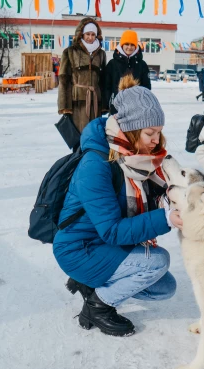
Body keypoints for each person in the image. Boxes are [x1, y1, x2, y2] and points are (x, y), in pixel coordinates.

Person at [53, 76, 182, 337]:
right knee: (157, 262)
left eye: (159, 132)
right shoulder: (96, 165)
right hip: (80, 248)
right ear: (132, 130)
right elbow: (112, 231)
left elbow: (156, 191)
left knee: (164, 288)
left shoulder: (135, 157)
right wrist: (167, 218)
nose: (157, 140)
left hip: (101, 242)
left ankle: (92, 282)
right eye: (149, 133)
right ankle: (98, 306)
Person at [58, 18, 107, 133]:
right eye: (87, 34)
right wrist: (65, 106)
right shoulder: (70, 52)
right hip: (77, 102)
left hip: (96, 102)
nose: (90, 37)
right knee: (79, 136)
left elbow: (103, 81)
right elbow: (64, 80)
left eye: (93, 34)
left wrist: (104, 104)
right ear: (81, 34)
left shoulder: (101, 54)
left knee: (95, 134)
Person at [103, 30, 151, 115]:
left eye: (132, 44)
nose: (129, 47)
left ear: (136, 46)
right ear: (122, 45)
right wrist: (106, 104)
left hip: (137, 108)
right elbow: (106, 86)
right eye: (127, 44)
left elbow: (146, 88)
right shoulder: (112, 64)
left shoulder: (142, 64)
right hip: (116, 108)